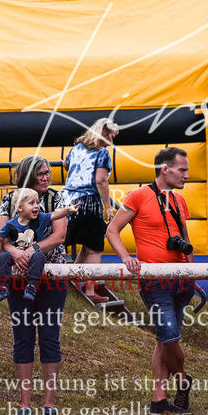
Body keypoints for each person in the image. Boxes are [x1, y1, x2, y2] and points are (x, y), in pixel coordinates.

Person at [106, 146, 195, 415]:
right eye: (182, 170)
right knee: (169, 336)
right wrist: (126, 257)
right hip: (155, 281)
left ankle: (159, 400)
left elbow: (186, 240)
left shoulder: (179, 200)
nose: (186, 176)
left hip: (181, 279)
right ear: (164, 170)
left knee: (162, 339)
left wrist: (192, 274)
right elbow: (111, 230)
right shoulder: (138, 195)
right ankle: (183, 381)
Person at [0, 155, 71, 415]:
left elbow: (59, 235)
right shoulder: (10, 199)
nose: (46, 177)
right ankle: (24, 403)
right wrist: (14, 252)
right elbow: (3, 235)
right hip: (19, 275)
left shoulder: (56, 198)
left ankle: (49, 402)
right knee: (23, 336)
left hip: (52, 273)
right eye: (40, 173)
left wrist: (32, 249)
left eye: (48, 172)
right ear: (27, 175)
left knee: (50, 335)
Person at [61, 118, 118, 303]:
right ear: (103, 133)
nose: (112, 141)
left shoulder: (76, 148)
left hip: (67, 200)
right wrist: (108, 207)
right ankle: (90, 289)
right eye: (111, 136)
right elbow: (100, 180)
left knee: (83, 243)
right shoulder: (102, 153)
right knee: (95, 247)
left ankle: (70, 277)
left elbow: (67, 165)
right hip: (87, 203)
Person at [0, 188, 77, 303]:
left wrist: (68, 210)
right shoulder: (10, 224)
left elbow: (55, 214)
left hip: (33, 255)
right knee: (3, 257)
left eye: (37, 202)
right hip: (16, 257)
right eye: (32, 203)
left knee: (40, 256)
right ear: (20, 208)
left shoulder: (41, 218)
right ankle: (2, 287)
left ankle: (31, 286)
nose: (36, 206)